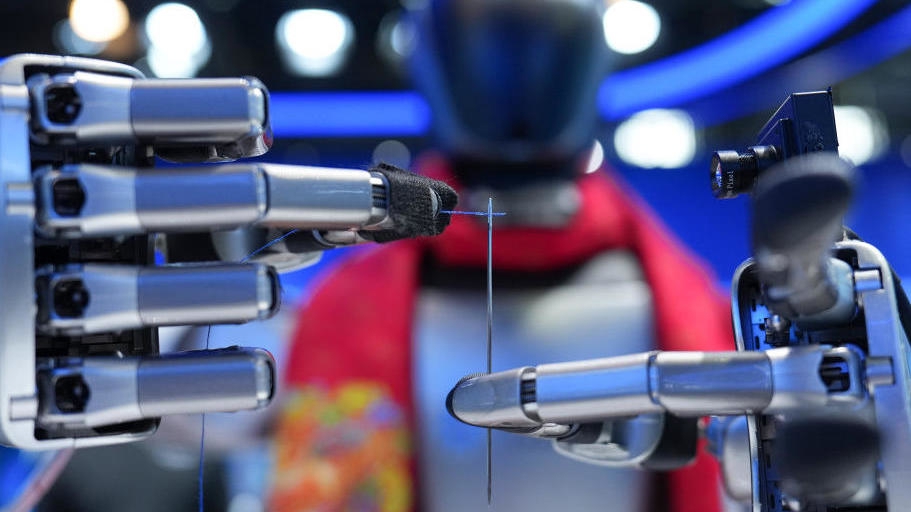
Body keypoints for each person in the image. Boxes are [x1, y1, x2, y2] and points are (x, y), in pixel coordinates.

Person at [269, 1, 734, 511]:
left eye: (544, 38)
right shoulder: (348, 310)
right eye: (489, 40)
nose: (519, 73)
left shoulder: (681, 301)